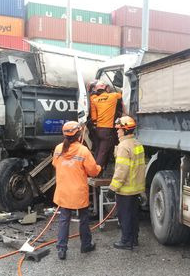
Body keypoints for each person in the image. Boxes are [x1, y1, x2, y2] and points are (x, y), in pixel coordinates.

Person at [52, 121, 102, 260]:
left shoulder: (58, 149)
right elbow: (93, 171)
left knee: (64, 220)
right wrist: (99, 168)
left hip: (63, 192)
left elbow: (55, 164)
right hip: (78, 193)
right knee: (83, 219)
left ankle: (61, 249)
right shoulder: (83, 151)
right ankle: (86, 245)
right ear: (79, 134)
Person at [106, 116, 146, 250]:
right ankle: (134, 239)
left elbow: (121, 170)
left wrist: (112, 188)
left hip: (125, 189)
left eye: (119, 129)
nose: (117, 132)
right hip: (136, 188)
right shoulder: (137, 144)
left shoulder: (123, 146)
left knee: (125, 216)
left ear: (125, 130)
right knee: (134, 215)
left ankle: (126, 241)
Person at [89, 81, 123, 171]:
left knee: (98, 150)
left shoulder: (95, 100)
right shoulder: (113, 96)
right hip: (107, 130)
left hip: (98, 129)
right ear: (106, 88)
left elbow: (93, 116)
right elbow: (122, 94)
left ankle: (96, 168)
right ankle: (96, 171)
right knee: (103, 152)